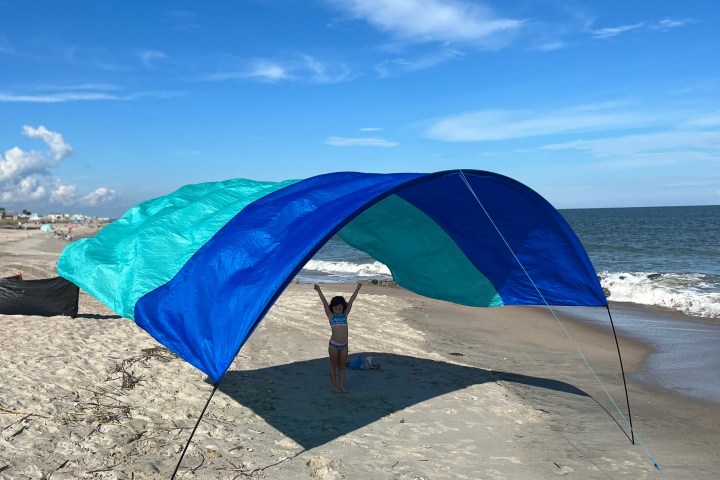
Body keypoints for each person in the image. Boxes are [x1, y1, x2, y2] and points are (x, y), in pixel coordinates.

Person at [314, 282, 362, 393]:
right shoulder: (331, 316)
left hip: (344, 345)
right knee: (333, 365)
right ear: (333, 308)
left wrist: (358, 288)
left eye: (340, 309)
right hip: (334, 345)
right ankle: (334, 386)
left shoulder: (345, 315)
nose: (338, 311)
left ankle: (341, 386)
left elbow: (351, 301)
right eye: (335, 309)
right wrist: (318, 290)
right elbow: (325, 303)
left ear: (342, 308)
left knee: (342, 367)